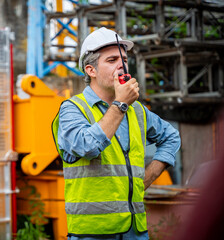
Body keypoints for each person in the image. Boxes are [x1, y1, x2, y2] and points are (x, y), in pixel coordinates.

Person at [52, 27, 181, 240]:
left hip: (135, 231)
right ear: (90, 70)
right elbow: (87, 147)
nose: (122, 65)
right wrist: (120, 104)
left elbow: (171, 137)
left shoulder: (136, 110)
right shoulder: (73, 109)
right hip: (93, 233)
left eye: (124, 60)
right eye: (112, 60)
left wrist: (146, 180)